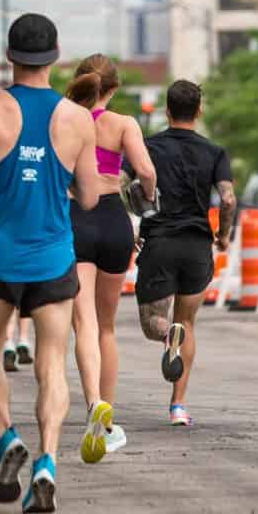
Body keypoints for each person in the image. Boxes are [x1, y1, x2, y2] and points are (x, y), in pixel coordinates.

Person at [0, 14, 98, 513]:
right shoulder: (78, 119)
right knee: (51, 365)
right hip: (53, 258)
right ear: (55, 55)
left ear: (9, 55)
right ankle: (47, 461)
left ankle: (6, 437)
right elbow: (85, 197)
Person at [65, 54, 157, 462]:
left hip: (75, 221)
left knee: (82, 322)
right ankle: (107, 423)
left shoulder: (64, 122)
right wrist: (142, 197)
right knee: (106, 326)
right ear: (114, 89)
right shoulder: (123, 125)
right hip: (114, 223)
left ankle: (92, 405)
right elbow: (147, 172)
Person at [134, 80, 235, 428]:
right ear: (199, 111)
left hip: (159, 243)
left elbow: (121, 186)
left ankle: (167, 334)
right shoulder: (215, 152)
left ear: (166, 110)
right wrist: (223, 234)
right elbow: (229, 199)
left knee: (153, 323)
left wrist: (131, 224)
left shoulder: (148, 147)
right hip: (197, 247)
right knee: (188, 324)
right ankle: (178, 406)